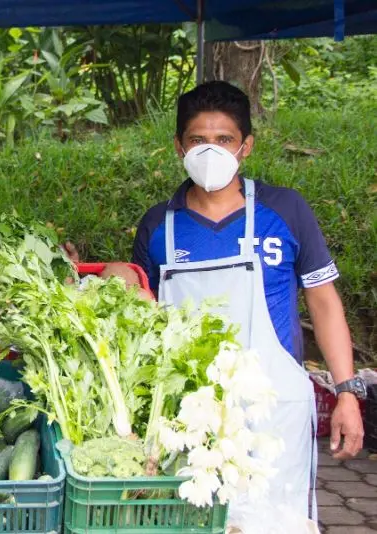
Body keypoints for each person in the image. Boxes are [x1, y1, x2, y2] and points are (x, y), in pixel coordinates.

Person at [131, 81, 364, 520]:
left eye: (224, 139)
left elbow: (324, 302)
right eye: (198, 140)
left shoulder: (286, 210)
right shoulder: (159, 225)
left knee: (275, 520)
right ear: (179, 146)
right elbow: (143, 312)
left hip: (274, 412)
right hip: (188, 415)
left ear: (246, 146)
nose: (210, 150)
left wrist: (347, 393)